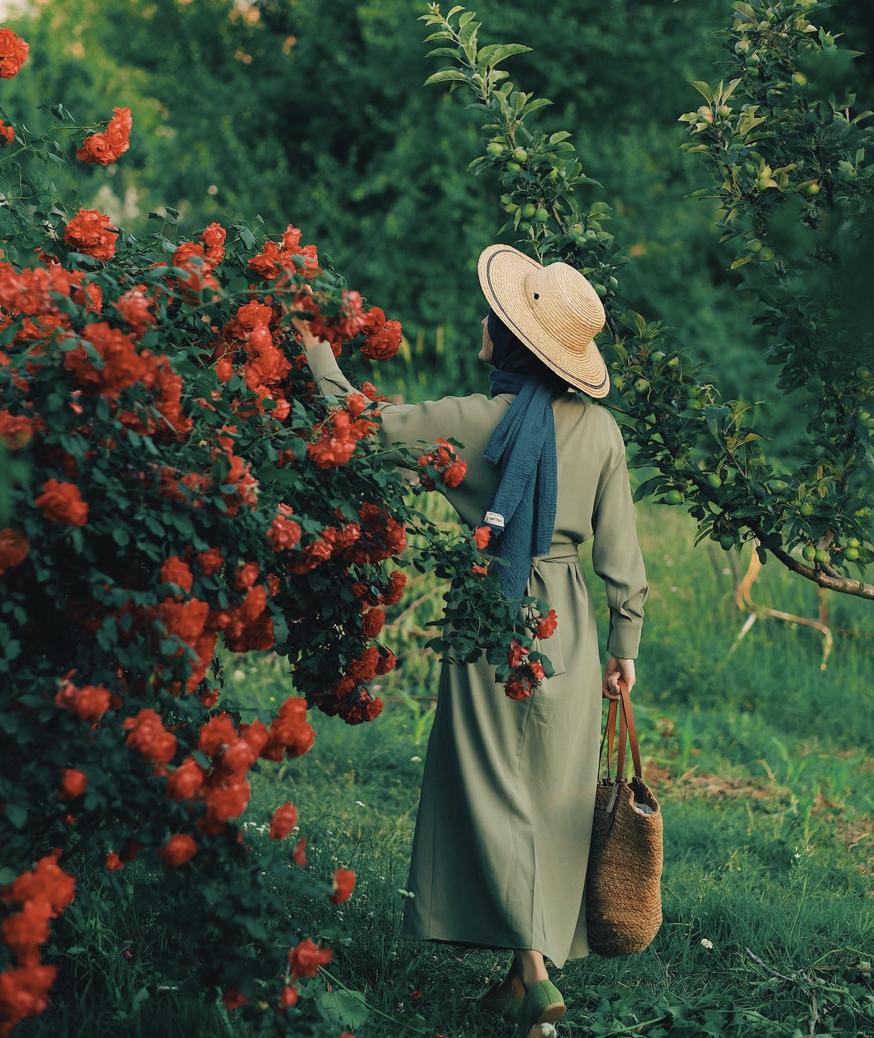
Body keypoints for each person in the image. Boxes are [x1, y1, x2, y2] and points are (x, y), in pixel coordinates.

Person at [292, 242, 649, 1038]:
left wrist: (311, 340)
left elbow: (356, 424)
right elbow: (622, 557)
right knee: (549, 798)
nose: (484, 323)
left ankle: (534, 981)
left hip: (495, 615)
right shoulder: (601, 433)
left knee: (494, 792)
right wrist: (624, 646)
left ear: (511, 339)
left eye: (496, 318)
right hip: (573, 624)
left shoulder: (476, 422)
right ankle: (523, 971)